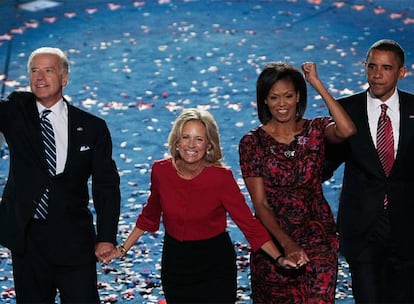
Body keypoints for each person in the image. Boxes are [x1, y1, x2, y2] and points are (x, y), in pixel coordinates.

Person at [109, 108, 298, 303]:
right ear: (176, 141)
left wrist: (279, 258)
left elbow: (248, 224)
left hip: (214, 265)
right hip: (176, 264)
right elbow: (150, 213)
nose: (191, 145)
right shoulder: (161, 170)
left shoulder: (221, 178)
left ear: (209, 145)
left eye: (199, 139)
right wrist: (123, 249)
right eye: (186, 137)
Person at [0, 47, 121, 303]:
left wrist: (106, 237)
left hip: (74, 240)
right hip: (28, 241)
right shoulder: (15, 111)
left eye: (48, 70)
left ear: (64, 78)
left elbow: (106, 185)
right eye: (34, 71)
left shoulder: (92, 127)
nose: (40, 77)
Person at [238, 61, 356, 303]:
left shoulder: (316, 129)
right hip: (274, 239)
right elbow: (261, 204)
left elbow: (346, 130)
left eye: (288, 96)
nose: (282, 104)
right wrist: (287, 244)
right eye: (274, 97)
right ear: (264, 101)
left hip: (318, 234)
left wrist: (317, 84)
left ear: (298, 97)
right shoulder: (252, 143)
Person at [323, 39, 414, 303]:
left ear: (401, 72)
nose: (376, 74)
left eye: (386, 67)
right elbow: (326, 164)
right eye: (371, 66)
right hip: (362, 228)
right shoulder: (346, 110)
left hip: (407, 228)